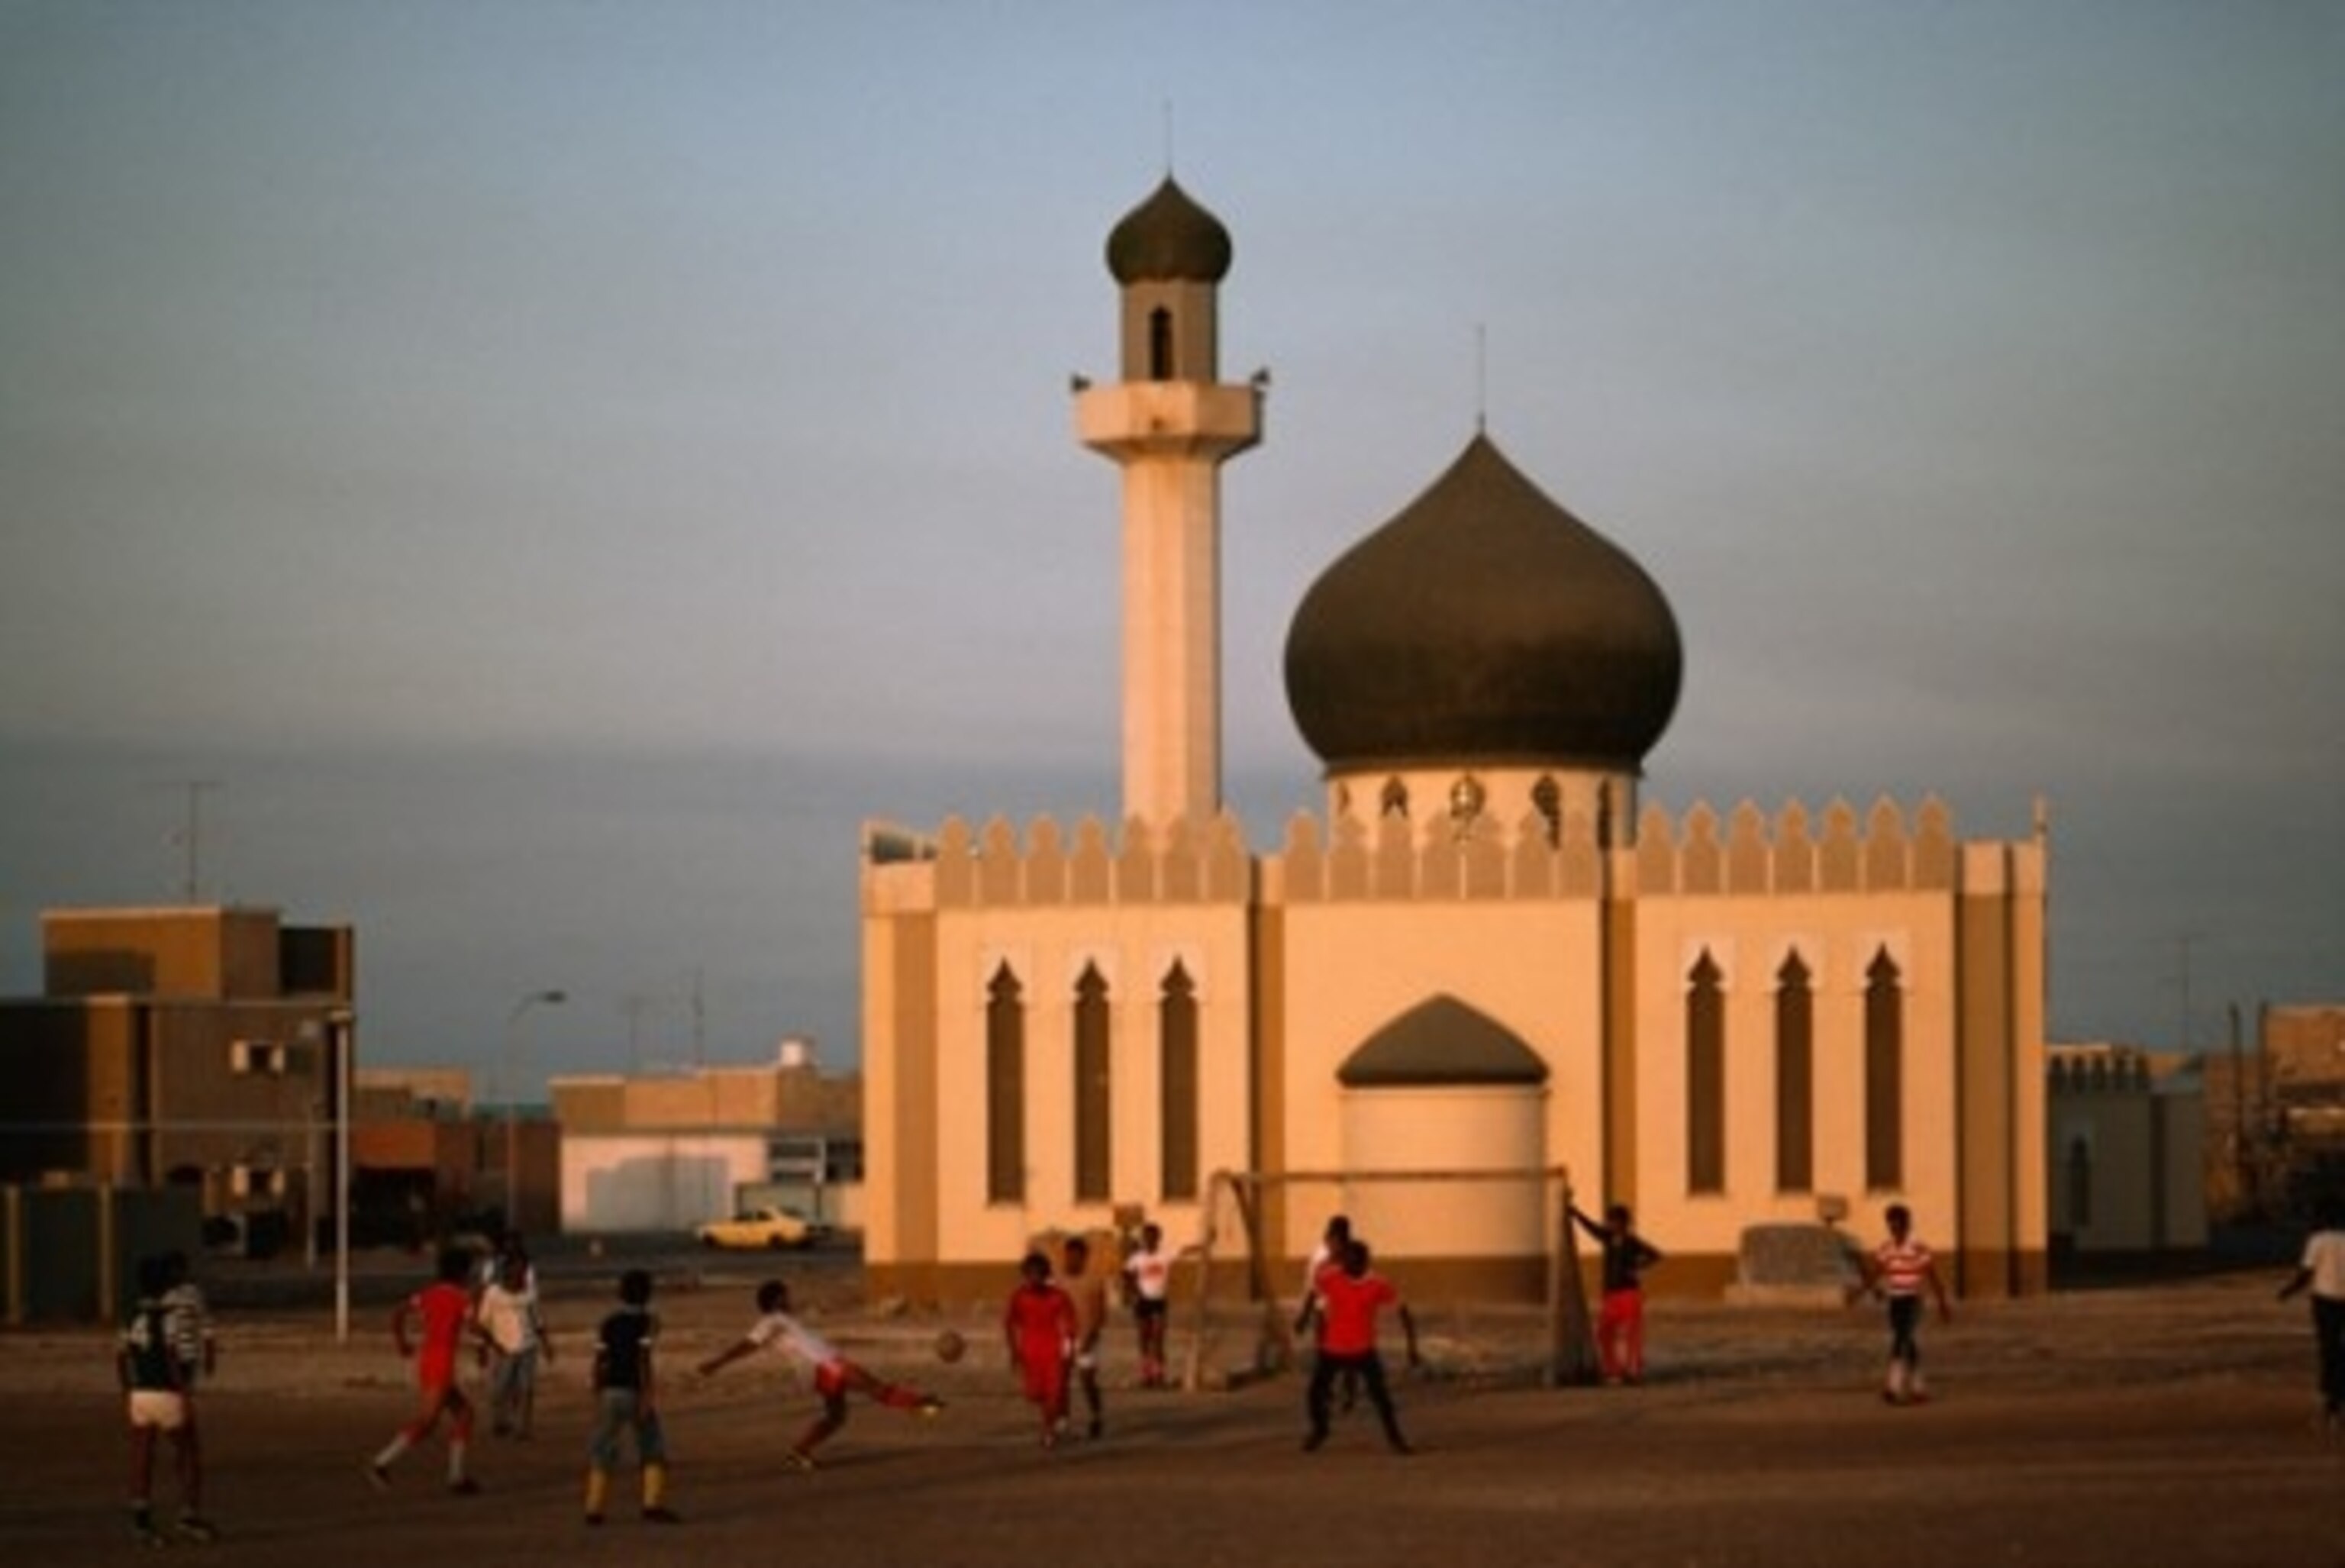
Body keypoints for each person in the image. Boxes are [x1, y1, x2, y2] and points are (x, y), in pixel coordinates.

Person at [698, 1277, 943, 1470]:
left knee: (837, 1417)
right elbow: (749, 1345)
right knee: (874, 1387)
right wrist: (718, 1363)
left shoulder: (784, 1320)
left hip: (822, 1369)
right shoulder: (772, 1321)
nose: (789, 1297)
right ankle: (919, 1403)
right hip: (826, 1366)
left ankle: (801, 1449)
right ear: (776, 1300)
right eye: (785, 1294)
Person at [369, 1245, 488, 1493]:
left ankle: (456, 1476)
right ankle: (381, 1462)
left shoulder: (428, 1294)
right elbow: (474, 1327)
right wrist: (489, 1337)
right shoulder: (460, 1297)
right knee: (427, 1422)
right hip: (441, 1362)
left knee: (465, 1414)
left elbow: (399, 1313)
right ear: (463, 1272)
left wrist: (401, 1341)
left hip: (428, 1359)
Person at [120, 1255, 215, 1545]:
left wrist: (127, 1388)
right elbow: (172, 1355)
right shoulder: (169, 1315)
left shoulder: (131, 1313)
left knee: (142, 1456)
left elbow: (121, 1355)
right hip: (166, 1391)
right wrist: (183, 1390)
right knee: (189, 1455)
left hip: (139, 1393)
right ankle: (189, 1515)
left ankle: (140, 1518)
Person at [1302, 1238, 1419, 1454]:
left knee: (1381, 1397)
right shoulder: (1332, 1278)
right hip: (1333, 1348)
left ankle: (1396, 1439)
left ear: (1364, 1263)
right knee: (1314, 1393)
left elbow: (1403, 1311)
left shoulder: (1377, 1284)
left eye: (1351, 1260)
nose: (1345, 1264)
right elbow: (1314, 1291)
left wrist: (1412, 1346)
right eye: (1344, 1259)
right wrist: (1305, 1318)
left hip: (1363, 1349)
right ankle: (1320, 1430)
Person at [585, 1268, 678, 1524]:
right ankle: (652, 1505)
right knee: (652, 1447)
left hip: (610, 1390)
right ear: (648, 1294)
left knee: (602, 1449)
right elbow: (643, 1360)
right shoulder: (649, 1321)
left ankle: (594, 1508)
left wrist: (596, 1387)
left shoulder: (608, 1322)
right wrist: (648, 1394)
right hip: (634, 1389)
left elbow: (600, 1359)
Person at [1855, 1202, 1952, 1405]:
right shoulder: (1887, 1248)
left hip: (1913, 1299)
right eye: (1891, 1225)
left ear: (1907, 1225)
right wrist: (1861, 1291)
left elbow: (1932, 1276)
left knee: (1901, 1338)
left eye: (1898, 1225)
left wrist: (1942, 1303)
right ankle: (1918, 1387)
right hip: (1895, 1299)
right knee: (1907, 1341)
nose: (1895, 1229)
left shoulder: (1918, 1247)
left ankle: (1893, 1386)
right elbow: (1877, 1271)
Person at [1570, 1201, 1663, 1384]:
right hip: (1611, 1295)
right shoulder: (1608, 1238)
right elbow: (1592, 1228)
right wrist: (1576, 1213)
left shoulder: (1631, 1242)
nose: (1610, 1224)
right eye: (1609, 1221)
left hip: (1629, 1294)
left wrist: (1638, 1266)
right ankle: (1613, 1370)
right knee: (1604, 1332)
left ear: (1623, 1223)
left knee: (1631, 1335)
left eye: (1614, 1221)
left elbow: (1656, 1255)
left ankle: (1632, 1372)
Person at [2276, 1197, 2345, 1437]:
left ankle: (2331, 1402)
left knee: (2329, 1349)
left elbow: (2306, 1273)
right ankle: (2337, 1399)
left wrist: (2288, 1291)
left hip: (2325, 1300)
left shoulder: (2317, 1241)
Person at [1003, 1250, 1077, 1449]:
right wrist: (1014, 1351)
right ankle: (1056, 1414)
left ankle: (1049, 1430)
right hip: (1031, 1352)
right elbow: (1010, 1324)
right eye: (1031, 1274)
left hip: (1053, 1351)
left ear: (1046, 1275)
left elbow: (1069, 1324)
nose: (1035, 1278)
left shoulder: (1059, 1297)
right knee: (1036, 1395)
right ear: (1025, 1275)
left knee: (1053, 1393)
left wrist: (1069, 1349)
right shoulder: (1019, 1297)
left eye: (1039, 1274)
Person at [475, 1250, 553, 1438]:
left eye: (524, 1268)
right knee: (501, 1387)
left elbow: (537, 1320)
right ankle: (500, 1421)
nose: (521, 1272)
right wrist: (488, 1346)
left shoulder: (530, 1294)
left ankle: (523, 1427)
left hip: (528, 1345)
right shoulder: (493, 1293)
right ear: (508, 1269)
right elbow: (483, 1323)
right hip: (503, 1347)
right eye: (518, 1267)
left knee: (526, 1388)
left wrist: (546, 1344)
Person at [1061, 1235, 1111, 1437]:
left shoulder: (1094, 1281)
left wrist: (1091, 1338)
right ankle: (1062, 1421)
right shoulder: (1059, 1282)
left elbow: (1101, 1313)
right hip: (1064, 1337)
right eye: (1069, 1256)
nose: (1072, 1260)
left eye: (1077, 1256)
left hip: (1088, 1336)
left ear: (1084, 1257)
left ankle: (1096, 1416)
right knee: (1061, 1381)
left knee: (1087, 1380)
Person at [1121, 1222, 1174, 1389]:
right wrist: (1133, 1291)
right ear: (1144, 1239)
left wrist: (1207, 1242)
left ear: (1158, 1238)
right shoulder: (1137, 1257)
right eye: (1147, 1237)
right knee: (1144, 1337)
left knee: (1158, 1338)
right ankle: (1146, 1373)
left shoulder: (1165, 1255)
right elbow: (1126, 1274)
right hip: (1143, 1301)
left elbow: (1187, 1250)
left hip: (1159, 1300)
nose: (1150, 1240)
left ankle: (1159, 1374)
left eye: (1153, 1237)